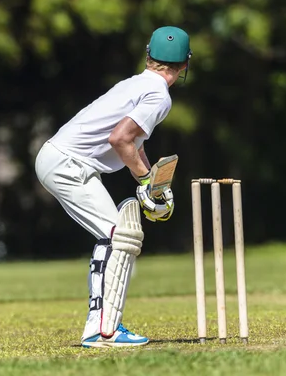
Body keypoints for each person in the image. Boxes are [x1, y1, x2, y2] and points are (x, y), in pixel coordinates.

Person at [34, 26, 192, 348]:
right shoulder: (159, 94)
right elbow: (119, 138)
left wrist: (153, 185)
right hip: (68, 164)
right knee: (117, 236)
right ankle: (102, 330)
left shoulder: (136, 84)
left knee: (119, 236)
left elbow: (133, 141)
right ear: (185, 64)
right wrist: (148, 183)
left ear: (148, 55)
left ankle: (104, 326)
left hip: (61, 159)